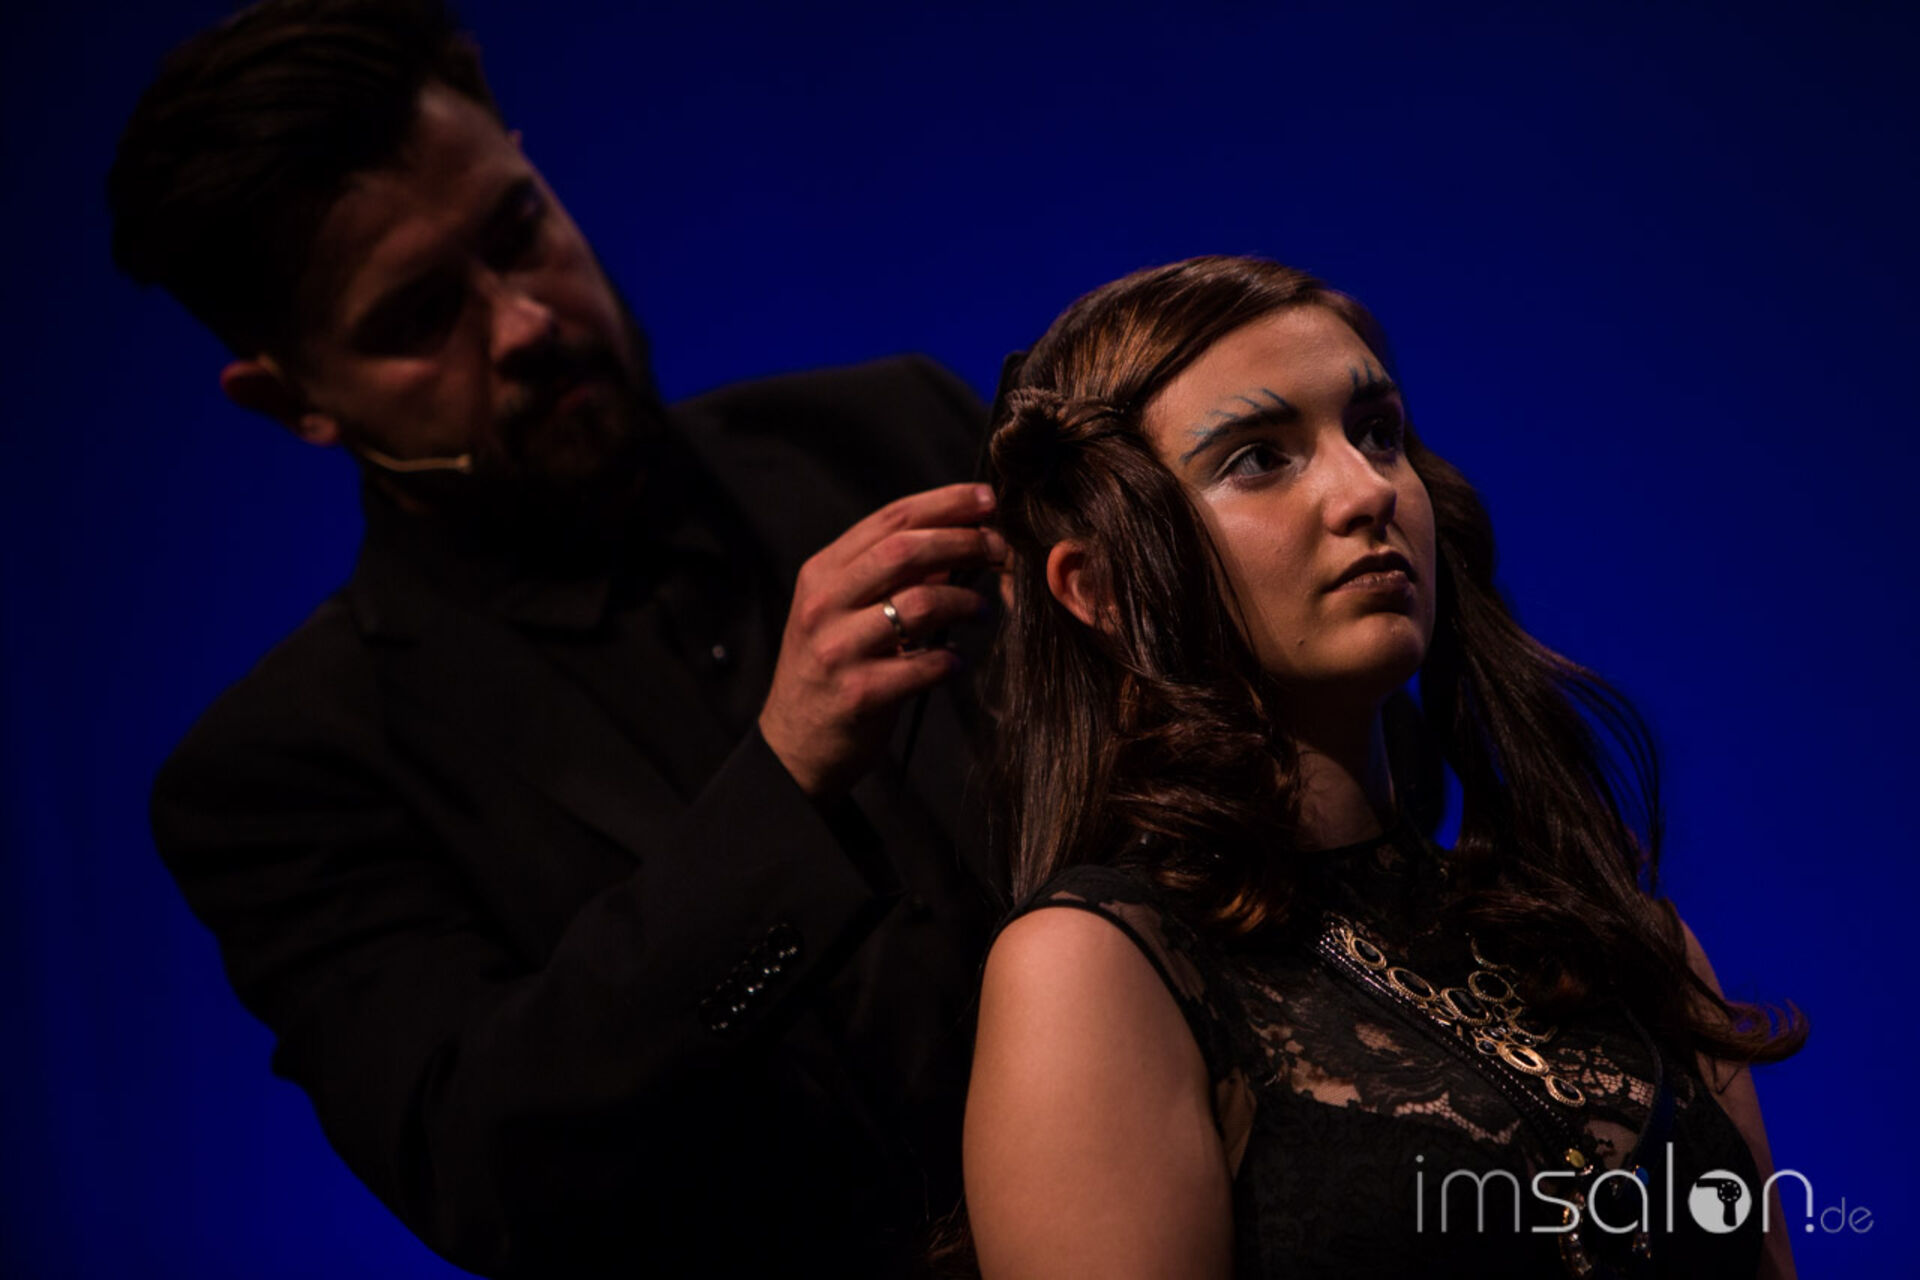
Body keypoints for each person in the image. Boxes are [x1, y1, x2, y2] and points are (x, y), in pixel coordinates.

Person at [111, 1, 1001, 1274]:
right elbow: (487, 1168)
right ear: (290, 396)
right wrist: (783, 787)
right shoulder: (285, 771)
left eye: (518, 229)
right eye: (420, 313)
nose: (526, 321)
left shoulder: (888, 431)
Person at [960, 256, 1805, 1278]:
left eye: (1377, 433)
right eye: (1258, 458)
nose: (1368, 491)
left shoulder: (1624, 943)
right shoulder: (1100, 969)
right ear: (1099, 587)